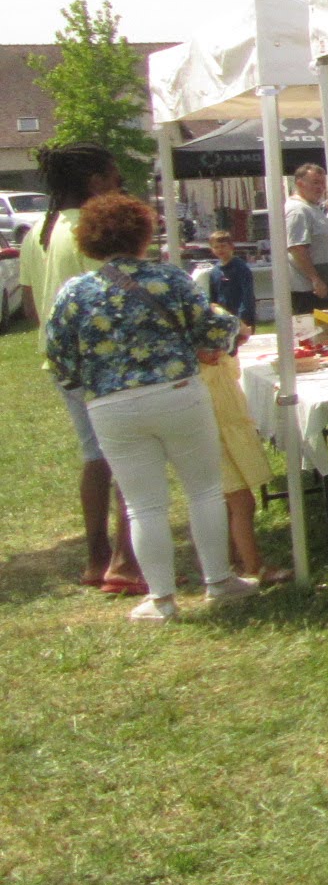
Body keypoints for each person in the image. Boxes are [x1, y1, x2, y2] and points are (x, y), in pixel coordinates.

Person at [43, 193, 255, 621]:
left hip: (111, 405)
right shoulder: (170, 279)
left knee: (144, 504)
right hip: (177, 392)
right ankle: (217, 581)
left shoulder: (74, 293)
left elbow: (59, 360)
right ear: (142, 234)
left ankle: (161, 599)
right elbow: (216, 329)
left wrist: (96, 382)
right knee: (204, 490)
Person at [20, 143, 144, 593]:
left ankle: (96, 558)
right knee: (130, 456)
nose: (118, 187)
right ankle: (125, 561)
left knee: (96, 457)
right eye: (113, 178)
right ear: (95, 183)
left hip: (61, 361)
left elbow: (34, 305)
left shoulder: (40, 229)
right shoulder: (93, 230)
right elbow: (120, 292)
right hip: (105, 362)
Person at [191, 230, 285, 584]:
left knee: (228, 502)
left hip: (220, 429)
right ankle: (252, 567)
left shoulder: (207, 364)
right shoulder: (213, 366)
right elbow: (236, 329)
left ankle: (232, 561)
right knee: (240, 502)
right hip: (221, 433)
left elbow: (239, 324)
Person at [284, 163, 328, 314]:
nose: (320, 187)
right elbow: (297, 248)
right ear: (300, 183)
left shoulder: (312, 207)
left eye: (322, 183)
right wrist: (315, 279)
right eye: (315, 182)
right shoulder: (297, 211)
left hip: (324, 284)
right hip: (308, 291)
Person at [193, 229, 258, 330]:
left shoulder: (240, 268)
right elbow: (213, 298)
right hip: (222, 319)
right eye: (216, 247)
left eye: (223, 246)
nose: (220, 250)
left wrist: (244, 318)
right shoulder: (215, 271)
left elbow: (247, 295)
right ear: (212, 249)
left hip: (240, 317)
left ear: (231, 247)